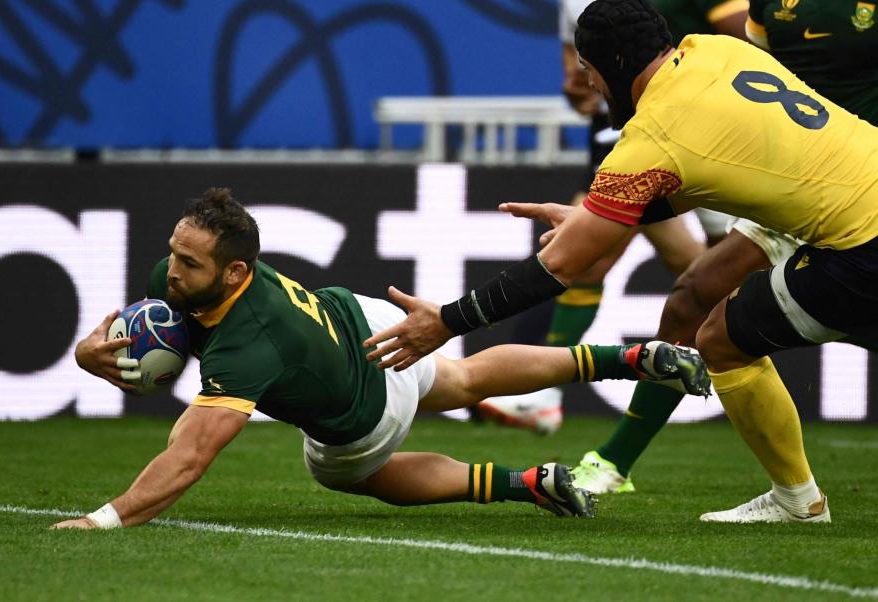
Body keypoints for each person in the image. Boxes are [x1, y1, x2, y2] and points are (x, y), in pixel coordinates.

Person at [365, 0, 878, 523]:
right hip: (860, 201)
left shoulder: (652, 136)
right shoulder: (715, 52)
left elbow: (556, 270)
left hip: (862, 244)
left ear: (610, 64)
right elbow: (719, 161)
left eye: (587, 69)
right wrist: (595, 216)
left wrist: (448, 321)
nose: (587, 84)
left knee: (721, 337)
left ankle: (798, 501)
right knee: (707, 304)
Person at [50, 188, 710, 530]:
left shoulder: (251, 346)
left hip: (364, 413)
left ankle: (523, 483)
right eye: (175, 251)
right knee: (464, 377)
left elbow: (189, 456)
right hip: (370, 323)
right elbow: (160, 326)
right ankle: (629, 358)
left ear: (234, 273)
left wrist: (105, 518)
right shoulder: (191, 277)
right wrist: (91, 353)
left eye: (189, 262)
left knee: (347, 475)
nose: (172, 269)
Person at [563, 0, 878, 496]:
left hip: (858, 181)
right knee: (693, 297)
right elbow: (762, 76)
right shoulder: (771, 6)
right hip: (793, 175)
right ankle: (614, 460)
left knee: (731, 315)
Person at [477, 0, 748, 443]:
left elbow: (743, 32)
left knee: (596, 254)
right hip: (626, 125)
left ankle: (543, 392)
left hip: (704, 126)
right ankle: (545, 394)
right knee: (696, 271)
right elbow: (578, 68)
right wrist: (583, 82)